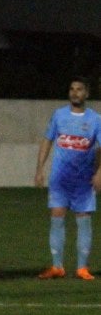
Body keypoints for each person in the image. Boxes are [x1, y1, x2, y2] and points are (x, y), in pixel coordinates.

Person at [33, 77, 101, 280]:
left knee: (84, 221)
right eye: (72, 89)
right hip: (60, 179)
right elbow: (47, 141)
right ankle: (57, 267)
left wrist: (99, 173)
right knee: (56, 218)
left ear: (86, 93)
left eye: (79, 89)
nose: (74, 93)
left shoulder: (96, 119)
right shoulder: (59, 115)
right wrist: (39, 169)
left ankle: (82, 268)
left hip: (83, 180)